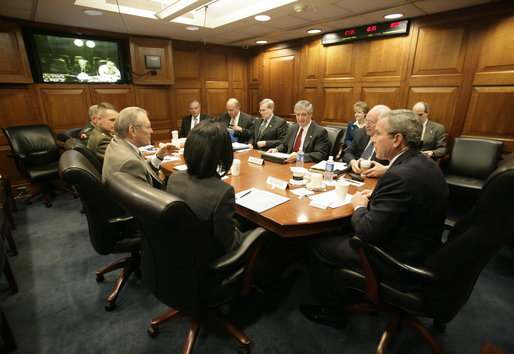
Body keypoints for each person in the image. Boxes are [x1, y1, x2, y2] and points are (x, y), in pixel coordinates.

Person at [300, 109, 449, 328]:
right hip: (426, 248)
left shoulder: (399, 175)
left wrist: (360, 207)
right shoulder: (422, 163)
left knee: (320, 247)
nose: (372, 138)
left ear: (397, 139)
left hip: (399, 259)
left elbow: (366, 231)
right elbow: (405, 203)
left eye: (377, 133)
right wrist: (377, 198)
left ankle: (331, 311)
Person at [167, 119, 254, 255]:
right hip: (209, 264)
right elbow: (229, 245)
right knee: (262, 234)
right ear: (223, 155)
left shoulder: (174, 178)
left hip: (178, 253)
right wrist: (253, 234)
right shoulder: (222, 192)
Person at [102, 106, 178, 188]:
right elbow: (146, 198)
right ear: (132, 131)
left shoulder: (116, 143)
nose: (151, 131)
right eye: (148, 127)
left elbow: (140, 167)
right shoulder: (130, 163)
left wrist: (159, 157)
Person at [342, 105, 390, 177]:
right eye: (366, 120)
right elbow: (348, 153)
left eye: (370, 122)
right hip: (356, 175)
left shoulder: (389, 140)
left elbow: (399, 166)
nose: (366, 125)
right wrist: (353, 162)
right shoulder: (360, 132)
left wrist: (385, 170)